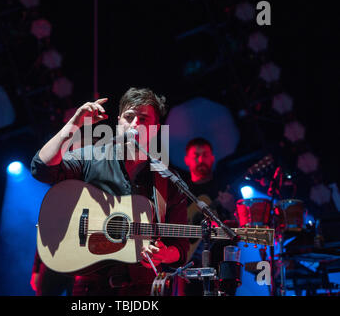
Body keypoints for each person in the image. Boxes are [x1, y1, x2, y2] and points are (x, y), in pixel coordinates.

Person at [30, 87, 190, 296]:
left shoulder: (168, 178)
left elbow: (181, 248)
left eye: (144, 119)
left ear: (156, 128)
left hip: (142, 287)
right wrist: (74, 124)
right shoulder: (91, 156)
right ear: (118, 122)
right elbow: (41, 168)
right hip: (90, 284)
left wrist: (164, 254)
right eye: (129, 117)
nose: (135, 124)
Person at [181, 137, 239, 296]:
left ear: (213, 157)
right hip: (189, 266)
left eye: (205, 155)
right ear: (186, 160)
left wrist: (232, 209)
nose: (201, 159)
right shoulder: (181, 192)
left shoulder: (226, 188)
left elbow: (241, 228)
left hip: (223, 265)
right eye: (196, 155)